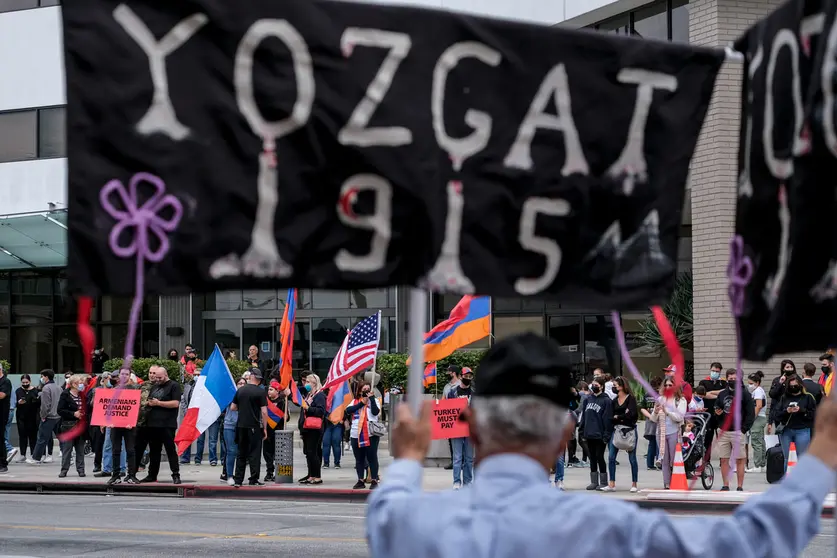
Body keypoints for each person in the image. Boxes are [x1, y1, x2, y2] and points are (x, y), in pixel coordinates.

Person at [367, 332, 837, 558]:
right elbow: (750, 542)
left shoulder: (408, 523)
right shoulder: (612, 530)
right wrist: (823, 453)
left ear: (469, 426)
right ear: (566, 432)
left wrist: (406, 460)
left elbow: (388, 504)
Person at [140, 365, 182, 485]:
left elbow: (175, 403)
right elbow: (150, 401)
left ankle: (175, 474)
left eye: (159, 377)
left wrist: (158, 403)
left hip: (167, 424)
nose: (157, 379)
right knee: (154, 451)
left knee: (170, 450)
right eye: (156, 377)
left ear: (166, 375)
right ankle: (152, 475)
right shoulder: (154, 386)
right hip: (153, 424)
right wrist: (149, 403)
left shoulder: (174, 386)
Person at [715, 368, 755, 491]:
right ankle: (725, 485)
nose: (732, 380)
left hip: (738, 431)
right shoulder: (722, 394)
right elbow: (718, 407)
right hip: (724, 431)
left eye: (735, 378)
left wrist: (743, 429)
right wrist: (718, 413)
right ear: (727, 379)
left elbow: (750, 414)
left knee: (740, 459)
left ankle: (739, 486)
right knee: (723, 459)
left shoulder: (745, 394)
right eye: (730, 378)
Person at [232, 368, 268, 487]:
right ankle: (253, 478)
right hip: (254, 425)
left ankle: (238, 480)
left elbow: (233, 407)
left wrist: (243, 408)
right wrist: (265, 428)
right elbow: (264, 412)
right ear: (257, 379)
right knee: (254, 453)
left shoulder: (240, 390)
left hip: (241, 425)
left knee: (241, 453)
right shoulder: (260, 392)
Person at [774, 374, 817, 474]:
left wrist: (801, 410)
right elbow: (777, 414)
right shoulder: (784, 397)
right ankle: (787, 480)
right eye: (791, 386)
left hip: (802, 430)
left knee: (802, 457)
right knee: (787, 457)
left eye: (796, 385)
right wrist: (787, 411)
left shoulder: (807, 397)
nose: (793, 387)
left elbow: (813, 415)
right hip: (786, 430)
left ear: (800, 385)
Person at [649, 377, 686, 489]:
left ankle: (676, 481)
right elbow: (653, 419)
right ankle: (666, 483)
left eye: (670, 385)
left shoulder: (680, 400)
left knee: (674, 459)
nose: (668, 387)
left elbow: (680, 417)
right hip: (661, 432)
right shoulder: (660, 399)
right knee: (664, 459)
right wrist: (655, 412)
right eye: (666, 385)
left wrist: (667, 412)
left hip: (674, 432)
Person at [604, 376, 638, 493]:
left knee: (632, 458)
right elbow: (610, 417)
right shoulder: (614, 401)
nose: (614, 387)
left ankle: (634, 483)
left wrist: (619, 417)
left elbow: (632, 415)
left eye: (616, 385)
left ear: (623, 386)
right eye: (613, 385)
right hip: (617, 430)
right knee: (611, 457)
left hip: (629, 430)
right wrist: (622, 416)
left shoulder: (631, 399)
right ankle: (611, 483)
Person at [346, 382, 382, 489]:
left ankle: (374, 480)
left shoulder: (374, 400)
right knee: (359, 458)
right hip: (356, 433)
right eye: (364, 389)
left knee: (372, 457)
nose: (366, 391)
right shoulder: (354, 401)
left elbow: (375, 412)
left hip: (371, 433)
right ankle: (360, 480)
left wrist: (370, 399)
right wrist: (362, 403)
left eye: (368, 389)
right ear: (360, 391)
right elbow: (348, 410)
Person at [108, 369, 141, 485]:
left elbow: (138, 408)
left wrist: (132, 421)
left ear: (129, 376)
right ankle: (115, 475)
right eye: (122, 374)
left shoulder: (135, 389)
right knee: (115, 450)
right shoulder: (113, 390)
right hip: (115, 425)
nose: (124, 376)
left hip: (129, 426)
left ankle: (131, 475)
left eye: (127, 374)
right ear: (118, 376)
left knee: (131, 450)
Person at [579, 376, 612, 490]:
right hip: (589, 433)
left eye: (596, 385)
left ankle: (603, 481)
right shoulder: (588, 399)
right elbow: (584, 416)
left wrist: (606, 435)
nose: (593, 387)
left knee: (599, 456)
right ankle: (594, 481)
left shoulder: (606, 401)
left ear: (601, 386)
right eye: (592, 384)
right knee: (592, 457)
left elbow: (608, 419)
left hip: (600, 434)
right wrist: (582, 430)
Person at [447, 367, 475, 489]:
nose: (468, 379)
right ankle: (456, 481)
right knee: (457, 457)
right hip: (456, 429)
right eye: (466, 376)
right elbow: (447, 410)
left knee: (469, 458)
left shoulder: (474, 394)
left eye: (470, 377)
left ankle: (468, 482)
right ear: (461, 376)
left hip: (470, 429)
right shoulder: (452, 393)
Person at [56, 374, 88, 478]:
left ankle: (81, 470)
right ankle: (64, 470)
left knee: (80, 449)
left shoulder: (83, 395)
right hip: (68, 425)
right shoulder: (65, 395)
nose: (82, 385)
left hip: (80, 425)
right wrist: (73, 413)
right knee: (67, 449)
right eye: (80, 383)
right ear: (73, 384)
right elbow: (60, 410)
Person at [298, 373, 327, 485]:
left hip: (314, 428)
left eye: (308, 382)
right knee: (308, 453)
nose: (306, 384)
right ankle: (311, 475)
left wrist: (308, 408)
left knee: (313, 452)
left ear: (314, 383)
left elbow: (320, 411)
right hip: (306, 427)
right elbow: (296, 394)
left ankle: (317, 476)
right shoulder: (309, 395)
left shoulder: (320, 396)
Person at [31, 369, 62, 464]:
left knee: (41, 438)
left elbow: (45, 405)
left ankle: (36, 458)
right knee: (61, 437)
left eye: (42, 376)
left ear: (46, 377)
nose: (42, 378)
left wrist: (43, 415)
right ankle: (68, 457)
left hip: (49, 417)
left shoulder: (46, 388)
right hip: (58, 416)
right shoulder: (59, 388)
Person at [697, 362, 726, 460]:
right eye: (713, 371)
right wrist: (718, 395)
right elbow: (703, 394)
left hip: (720, 415)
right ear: (710, 370)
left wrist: (711, 393)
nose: (715, 373)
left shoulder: (723, 383)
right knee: (707, 439)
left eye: (717, 371)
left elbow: (725, 394)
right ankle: (706, 460)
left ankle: (723, 460)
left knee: (722, 440)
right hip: (707, 415)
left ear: (720, 372)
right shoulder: (703, 382)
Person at [221, 377, 246, 484]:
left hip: (243, 426)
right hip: (230, 426)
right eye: (239, 383)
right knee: (231, 451)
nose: (242, 385)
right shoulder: (231, 395)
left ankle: (239, 476)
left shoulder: (248, 395)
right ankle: (229, 476)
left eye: (244, 383)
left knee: (241, 452)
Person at [263, 380, 289, 482]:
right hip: (267, 431)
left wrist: (285, 416)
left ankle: (278, 472)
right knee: (267, 453)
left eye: (271, 389)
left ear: (277, 391)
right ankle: (269, 471)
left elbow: (286, 417)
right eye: (268, 389)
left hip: (278, 431)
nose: (269, 391)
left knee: (278, 453)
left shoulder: (282, 402)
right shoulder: (265, 402)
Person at [746, 371, 768, 474]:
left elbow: (758, 406)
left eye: (751, 383)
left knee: (756, 442)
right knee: (760, 441)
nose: (749, 385)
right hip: (760, 418)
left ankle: (757, 465)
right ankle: (762, 464)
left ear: (757, 383)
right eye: (748, 383)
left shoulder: (758, 391)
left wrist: (751, 418)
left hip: (758, 418)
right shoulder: (758, 391)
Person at [14, 374, 39, 463]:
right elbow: (15, 403)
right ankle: (22, 454)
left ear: (30, 381)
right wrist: (19, 402)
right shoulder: (18, 391)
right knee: (22, 436)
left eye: (26, 382)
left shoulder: (35, 390)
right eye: (23, 382)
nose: (25, 384)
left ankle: (33, 454)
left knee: (33, 436)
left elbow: (38, 403)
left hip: (32, 416)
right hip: (21, 416)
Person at [640, 376, 662, 470]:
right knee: (659, 444)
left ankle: (649, 464)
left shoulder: (647, 395)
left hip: (649, 423)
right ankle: (659, 462)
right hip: (658, 422)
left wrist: (649, 416)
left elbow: (642, 407)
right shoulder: (660, 396)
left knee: (651, 443)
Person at [768, 359, 796, 433]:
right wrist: (780, 383)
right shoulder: (777, 380)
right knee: (782, 436)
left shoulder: (797, 380)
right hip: (780, 413)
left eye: (791, 367)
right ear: (783, 369)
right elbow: (772, 395)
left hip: (793, 413)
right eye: (787, 367)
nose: (790, 369)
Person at [442, 366, 461, 471]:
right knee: (450, 440)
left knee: (460, 440)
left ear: (453, 373)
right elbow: (443, 400)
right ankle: (454, 461)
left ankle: (460, 461)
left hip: (459, 418)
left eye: (449, 372)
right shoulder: (446, 386)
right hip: (449, 417)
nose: (447, 374)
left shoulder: (461, 385)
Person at [0, 363, 10, 473]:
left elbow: (2, 395)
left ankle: (3, 463)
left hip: (1, 415)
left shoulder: (5, 381)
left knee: (0, 438)